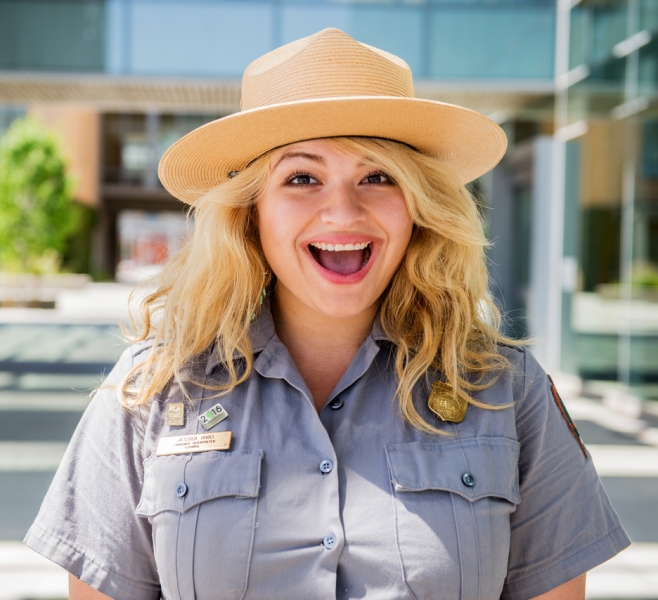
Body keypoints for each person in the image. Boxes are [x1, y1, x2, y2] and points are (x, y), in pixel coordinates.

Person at [25, 28, 630, 600]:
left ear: (417, 207)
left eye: (377, 176)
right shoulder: (149, 391)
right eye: (302, 177)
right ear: (250, 213)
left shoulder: (507, 391)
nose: (343, 213)